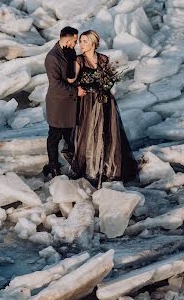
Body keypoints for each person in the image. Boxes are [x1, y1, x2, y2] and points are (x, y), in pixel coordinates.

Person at [69, 30, 138, 186]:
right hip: (88, 102)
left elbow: (108, 79)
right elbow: (72, 80)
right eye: (81, 41)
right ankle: (91, 169)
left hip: (105, 100)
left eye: (85, 41)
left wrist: (107, 84)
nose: (81, 44)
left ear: (93, 43)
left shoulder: (103, 59)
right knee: (89, 133)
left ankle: (108, 168)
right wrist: (79, 88)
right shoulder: (78, 60)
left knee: (108, 132)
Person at [44, 26, 86, 177]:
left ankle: (75, 165)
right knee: (54, 136)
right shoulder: (52, 57)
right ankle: (53, 166)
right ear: (68, 39)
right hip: (58, 103)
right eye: (75, 40)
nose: (76, 44)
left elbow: (72, 75)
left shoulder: (69, 52)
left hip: (70, 103)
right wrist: (76, 91)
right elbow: (56, 84)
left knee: (71, 136)